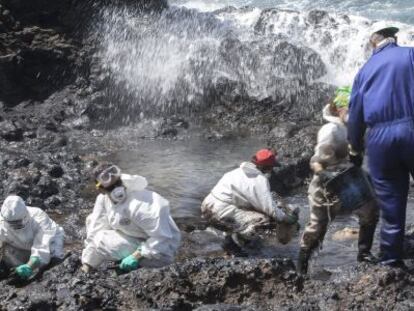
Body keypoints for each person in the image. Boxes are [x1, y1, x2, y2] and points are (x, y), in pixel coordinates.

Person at [347, 27, 414, 268]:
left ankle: (391, 260)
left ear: (373, 44)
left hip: (379, 140)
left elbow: (355, 115)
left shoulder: (364, 71)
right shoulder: (409, 55)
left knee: (391, 204)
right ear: (394, 39)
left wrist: (355, 149)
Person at [297, 87, 379, 275]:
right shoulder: (331, 129)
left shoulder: (355, 129)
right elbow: (316, 162)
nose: (352, 112)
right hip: (325, 184)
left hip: (348, 179)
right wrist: (324, 175)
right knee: (318, 226)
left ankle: (364, 254)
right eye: (348, 108)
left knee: (370, 210)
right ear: (336, 109)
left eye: (355, 108)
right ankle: (302, 268)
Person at [81, 163, 181, 273]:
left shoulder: (140, 204)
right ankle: (99, 264)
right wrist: (87, 263)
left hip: (162, 251)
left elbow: (163, 238)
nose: (116, 188)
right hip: (136, 236)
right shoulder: (103, 199)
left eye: (117, 181)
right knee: (91, 220)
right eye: (106, 179)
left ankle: (140, 265)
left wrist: (136, 256)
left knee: (101, 240)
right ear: (100, 189)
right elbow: (95, 228)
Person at [201, 149, 298, 253]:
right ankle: (240, 243)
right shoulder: (259, 180)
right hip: (221, 212)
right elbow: (270, 209)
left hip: (206, 207)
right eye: (271, 167)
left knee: (239, 212)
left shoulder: (235, 172)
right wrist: (286, 218)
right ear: (267, 167)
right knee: (264, 221)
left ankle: (229, 239)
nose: (271, 170)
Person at [0, 195, 65, 280]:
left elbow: (42, 246)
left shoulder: (39, 217)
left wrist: (30, 266)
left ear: (25, 216)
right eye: (11, 223)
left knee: (53, 261)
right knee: (8, 253)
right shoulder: (2, 221)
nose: (15, 226)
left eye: (18, 223)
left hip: (50, 240)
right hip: (21, 245)